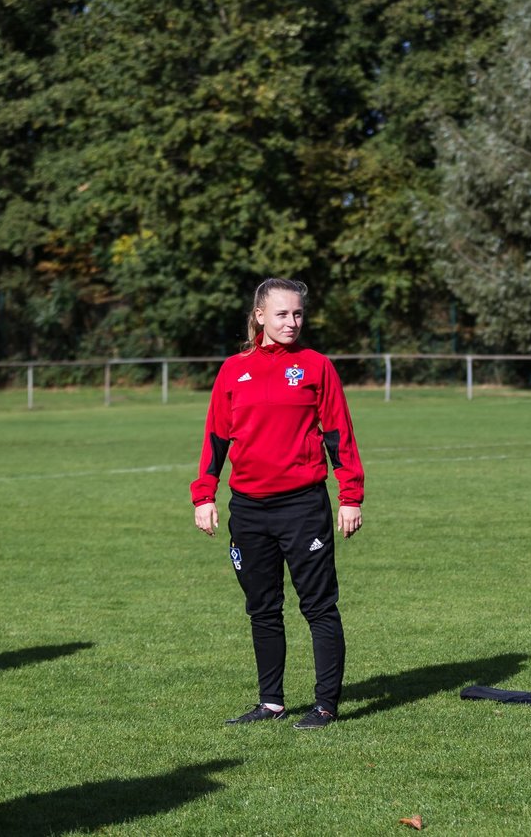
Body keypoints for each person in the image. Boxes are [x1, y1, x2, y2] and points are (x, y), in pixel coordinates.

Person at [190, 277, 364, 730]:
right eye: (283, 314)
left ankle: (325, 704)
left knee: (319, 607)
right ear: (260, 316)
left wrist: (350, 496)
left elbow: (339, 434)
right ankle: (271, 702)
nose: (293, 322)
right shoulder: (232, 370)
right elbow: (215, 437)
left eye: (299, 314)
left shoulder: (316, 366)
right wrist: (204, 494)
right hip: (248, 509)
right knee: (262, 608)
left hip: (303, 506)